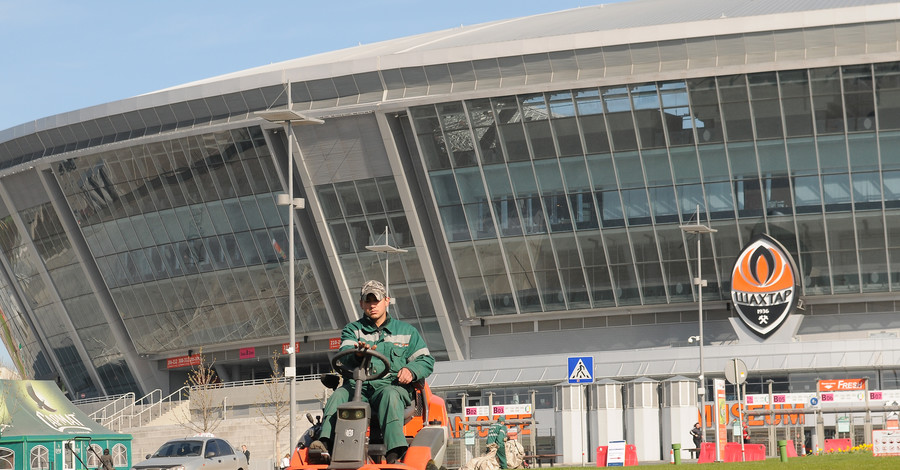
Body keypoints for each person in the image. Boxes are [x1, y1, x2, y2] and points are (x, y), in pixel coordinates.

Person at [314, 280, 435, 464]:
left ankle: (395, 452)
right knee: (338, 395)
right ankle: (324, 444)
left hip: (390, 386)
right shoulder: (353, 330)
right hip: (357, 389)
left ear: (387, 301)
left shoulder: (407, 332)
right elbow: (343, 355)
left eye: (376, 300)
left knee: (389, 395)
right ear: (361, 304)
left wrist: (411, 370)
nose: (372, 305)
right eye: (368, 301)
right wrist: (355, 355)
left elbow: (426, 360)